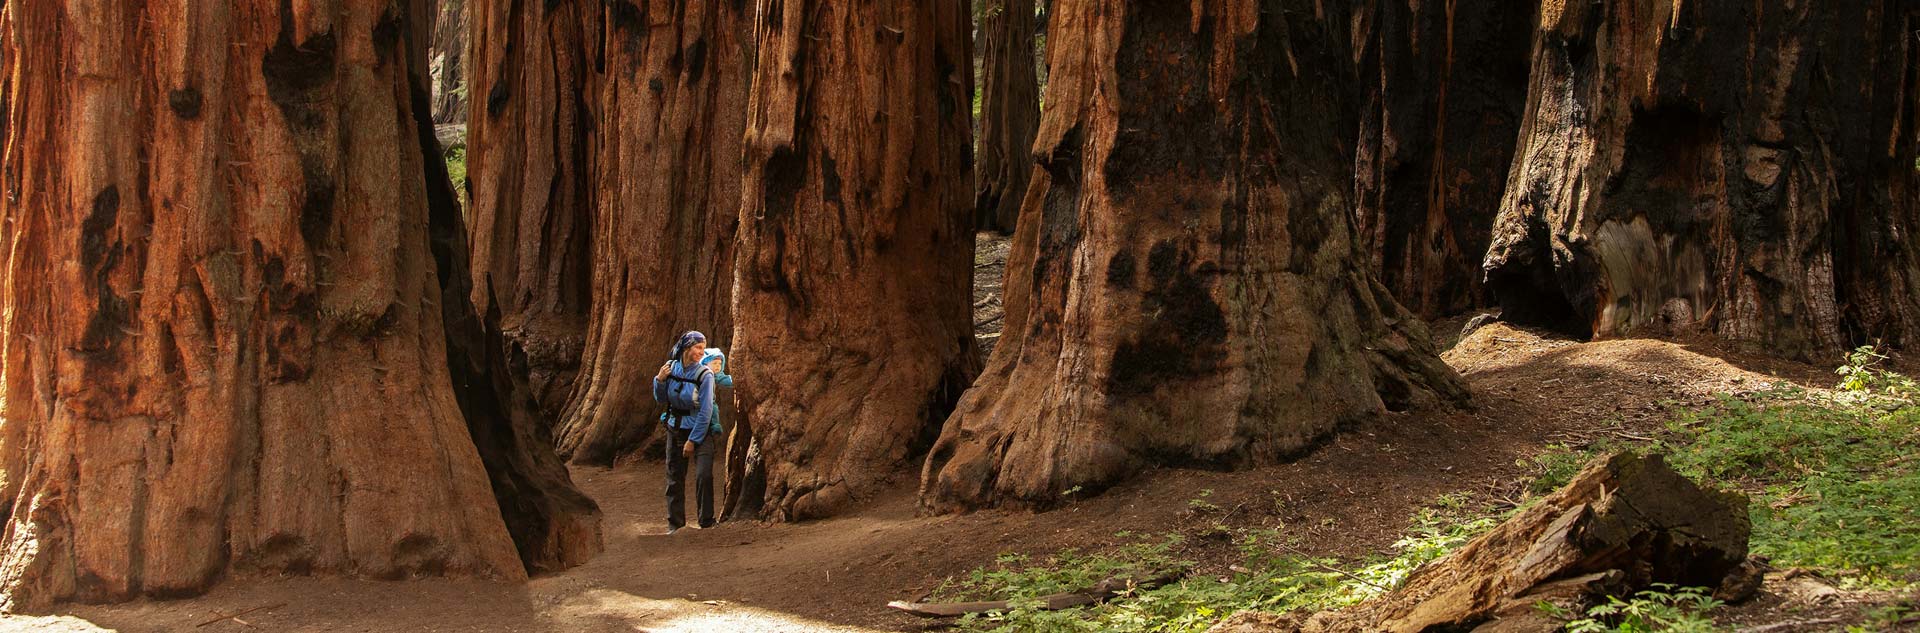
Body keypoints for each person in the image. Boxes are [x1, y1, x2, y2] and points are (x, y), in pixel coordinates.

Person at [654, 331, 717, 533]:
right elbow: (661, 399)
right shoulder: (671, 368)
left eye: (703, 347)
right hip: (675, 427)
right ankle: (675, 524)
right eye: (698, 347)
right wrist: (660, 380)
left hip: (700, 430)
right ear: (686, 348)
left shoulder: (705, 375)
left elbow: (706, 411)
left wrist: (693, 440)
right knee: (674, 477)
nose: (701, 351)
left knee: (703, 475)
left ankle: (706, 521)